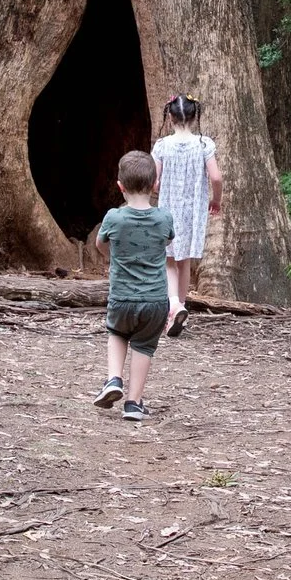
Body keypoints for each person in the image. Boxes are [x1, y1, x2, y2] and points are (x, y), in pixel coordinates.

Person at [89, 150, 171, 420]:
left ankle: (114, 379)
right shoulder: (164, 218)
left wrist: (113, 257)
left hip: (122, 296)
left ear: (120, 186)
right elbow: (167, 241)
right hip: (155, 300)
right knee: (144, 346)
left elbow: (100, 244)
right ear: (155, 185)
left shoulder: (113, 217)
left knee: (117, 332)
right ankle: (134, 403)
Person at [151, 94, 221, 337]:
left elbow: (153, 179)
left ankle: (173, 306)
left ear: (170, 116)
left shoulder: (162, 146)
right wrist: (216, 200)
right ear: (194, 116)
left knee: (169, 260)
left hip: (168, 211)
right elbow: (216, 178)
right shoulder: (204, 145)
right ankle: (180, 308)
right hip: (193, 212)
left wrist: (158, 186)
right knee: (185, 262)